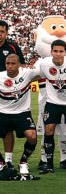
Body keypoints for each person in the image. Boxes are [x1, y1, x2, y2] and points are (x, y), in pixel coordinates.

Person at [36, 40, 66, 174]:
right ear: (51, 52)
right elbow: (32, 75)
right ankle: (49, 164)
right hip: (52, 103)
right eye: (55, 51)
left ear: (65, 52)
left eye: (61, 51)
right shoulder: (44, 64)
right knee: (49, 130)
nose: (58, 54)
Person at [0, 54, 39, 174]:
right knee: (7, 133)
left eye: (13, 64)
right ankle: (4, 162)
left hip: (22, 112)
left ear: (19, 65)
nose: (10, 66)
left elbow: (44, 71)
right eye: (8, 63)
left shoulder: (27, 73)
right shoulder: (0, 76)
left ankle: (23, 161)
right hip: (2, 112)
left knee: (32, 136)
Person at [0, 20, 26, 170]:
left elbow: (21, 65)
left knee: (8, 127)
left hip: (8, 91)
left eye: (2, 32)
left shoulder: (12, 47)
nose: (0, 34)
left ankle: (8, 160)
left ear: (6, 33)